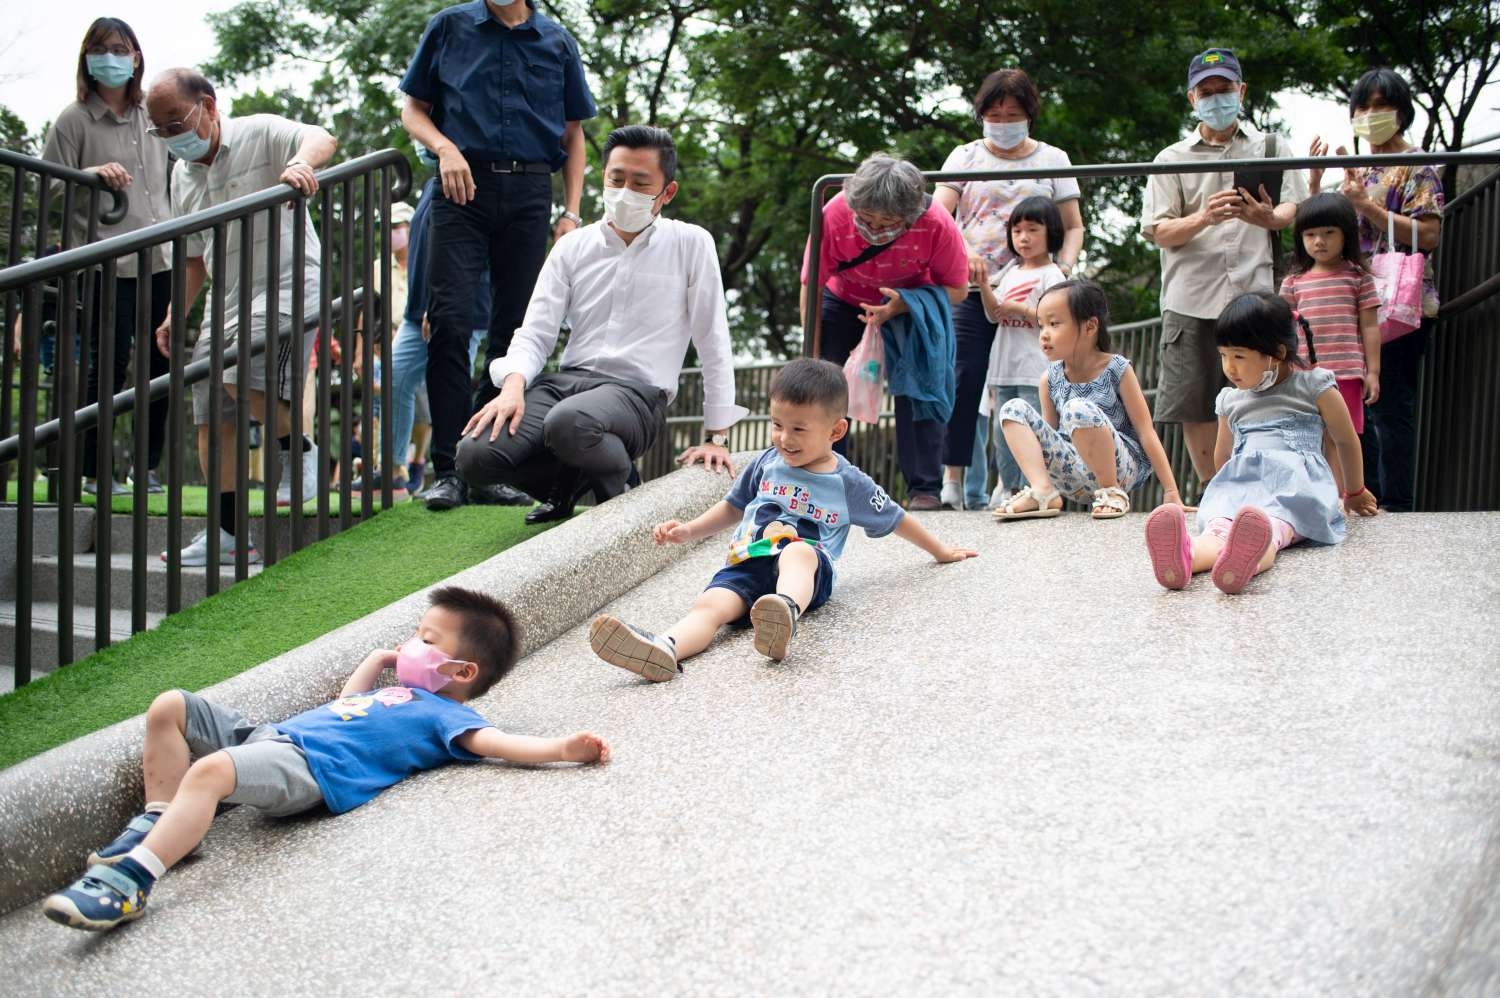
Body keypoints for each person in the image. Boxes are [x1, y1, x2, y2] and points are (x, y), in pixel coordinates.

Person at [40, 586, 610, 932]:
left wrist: (562, 749)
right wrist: (376, 658)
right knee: (171, 706)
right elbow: (345, 706)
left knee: (209, 771)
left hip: (310, 769)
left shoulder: (446, 716)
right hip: (277, 736)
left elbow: (497, 744)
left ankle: (133, 881)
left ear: (463, 673)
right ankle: (159, 817)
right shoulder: (397, 693)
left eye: (426, 641)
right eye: (416, 633)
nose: (412, 645)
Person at [586, 358, 976, 681]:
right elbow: (733, 507)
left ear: (836, 430)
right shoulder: (766, 463)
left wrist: (940, 551)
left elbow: (895, 517)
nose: (784, 438)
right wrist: (688, 530)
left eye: (799, 429)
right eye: (777, 425)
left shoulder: (847, 482)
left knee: (798, 553)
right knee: (709, 607)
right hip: (747, 562)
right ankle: (665, 648)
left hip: (807, 573)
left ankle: (784, 609)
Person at [459, 125, 747, 524]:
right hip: (568, 383)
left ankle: (621, 482)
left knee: (570, 422)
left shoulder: (690, 243)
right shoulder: (573, 246)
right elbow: (536, 332)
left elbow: (712, 338)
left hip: (637, 395)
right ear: (603, 177)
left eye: (641, 182)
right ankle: (566, 487)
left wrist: (717, 436)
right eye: (617, 178)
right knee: (475, 453)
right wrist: (512, 387)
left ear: (668, 192)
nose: (625, 190)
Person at [399, 0, 595, 511]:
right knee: (450, 322)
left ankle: (484, 463)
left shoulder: (556, 41)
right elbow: (412, 109)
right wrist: (445, 148)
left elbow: (573, 133)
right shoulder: (448, 26)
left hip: (530, 191)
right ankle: (448, 470)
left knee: (514, 330)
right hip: (460, 186)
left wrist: (571, 211)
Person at [146, 68, 336, 565]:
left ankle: (302, 452)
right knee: (210, 409)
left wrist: (299, 162)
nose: (170, 137)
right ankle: (229, 535)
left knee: (236, 373)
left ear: (208, 105)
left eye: (174, 122)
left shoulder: (258, 131)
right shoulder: (180, 174)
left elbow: (321, 137)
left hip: (289, 282)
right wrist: (174, 314)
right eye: (159, 130)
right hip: (225, 296)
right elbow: (191, 258)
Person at [1141, 47, 1308, 489]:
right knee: (1193, 401)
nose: (1216, 99)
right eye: (1206, 91)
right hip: (1190, 297)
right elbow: (1157, 229)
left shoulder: (1272, 146)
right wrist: (1204, 217)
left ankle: (1261, 484)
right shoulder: (1169, 159)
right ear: (1192, 99)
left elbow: (1293, 206)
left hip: (1254, 294)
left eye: (1224, 89)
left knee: (1265, 393)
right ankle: (1214, 487)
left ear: (1242, 91)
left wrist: (1268, 218)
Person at [1144, 292, 1377, 595]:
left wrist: (1353, 491)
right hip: (1242, 485)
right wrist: (1226, 490)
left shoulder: (1314, 386)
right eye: (1224, 355)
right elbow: (1224, 456)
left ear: (1276, 353)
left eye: (1239, 356)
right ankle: (1184, 558)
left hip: (1294, 485)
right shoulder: (1231, 399)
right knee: (1221, 527)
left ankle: (1242, 562)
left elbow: (1345, 439)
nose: (1229, 367)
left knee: (1269, 527)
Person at [934, 68, 1086, 510]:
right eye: (994, 114)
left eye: (1012, 113)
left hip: (1036, 291)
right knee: (965, 379)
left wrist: (1062, 269)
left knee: (1037, 385)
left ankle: (1032, 482)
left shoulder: (1053, 159)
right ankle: (953, 479)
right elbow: (939, 219)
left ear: (1030, 115)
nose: (1002, 121)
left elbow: (1073, 225)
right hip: (976, 288)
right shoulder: (963, 156)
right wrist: (964, 255)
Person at [34, 18, 173, 497]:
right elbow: (48, 190)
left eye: (120, 48)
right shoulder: (73, 119)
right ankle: (95, 471)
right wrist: (87, 174)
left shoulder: (151, 113)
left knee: (162, 366)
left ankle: (146, 469)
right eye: (101, 49)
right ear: (87, 58)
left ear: (136, 57)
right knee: (107, 368)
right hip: (104, 262)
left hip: (161, 258)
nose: (111, 57)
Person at [1309, 68, 1443, 512]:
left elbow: (1429, 235)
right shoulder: (1355, 167)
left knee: (1392, 405)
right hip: (1352, 306)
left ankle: (1397, 502)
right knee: (1352, 406)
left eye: (1381, 106)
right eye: (1363, 107)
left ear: (1401, 112)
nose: (1371, 115)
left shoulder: (1417, 164)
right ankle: (1360, 496)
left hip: (1400, 308)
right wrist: (1317, 187)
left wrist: (1365, 204)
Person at [802, 153, 969, 509]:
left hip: (907, 302)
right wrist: (813, 355)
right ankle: (829, 481)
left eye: (888, 222)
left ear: (910, 215)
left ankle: (924, 489)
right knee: (828, 385)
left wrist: (905, 304)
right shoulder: (834, 213)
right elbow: (811, 284)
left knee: (919, 388)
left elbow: (956, 289)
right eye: (867, 220)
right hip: (843, 297)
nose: (876, 229)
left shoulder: (937, 222)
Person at [357, 169, 497, 499]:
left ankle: (464, 472)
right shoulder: (431, 184)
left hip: (456, 309)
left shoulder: (472, 178)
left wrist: (439, 305)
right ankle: (391, 472)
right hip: (418, 309)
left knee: (451, 386)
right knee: (396, 379)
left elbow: (464, 253)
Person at [992, 280, 1181, 521]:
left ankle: (1112, 492)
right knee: (1012, 409)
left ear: (1090, 326)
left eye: (1054, 323)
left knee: (1076, 408)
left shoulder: (1117, 369)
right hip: (1074, 473)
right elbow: (1051, 437)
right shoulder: (1049, 378)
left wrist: (1171, 491)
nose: (1044, 334)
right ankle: (1043, 492)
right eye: (1041, 326)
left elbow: (1146, 433)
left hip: (1121, 468)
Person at [975, 196, 1068, 508]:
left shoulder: (1052, 274)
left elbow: (1056, 320)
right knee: (1005, 433)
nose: (1023, 238)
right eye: (1017, 231)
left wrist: (1025, 311)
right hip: (1003, 365)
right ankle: (1009, 489)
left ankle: (1037, 488)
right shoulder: (1011, 272)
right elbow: (993, 314)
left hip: (1034, 367)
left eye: (1032, 230)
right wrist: (985, 286)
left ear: (1051, 232)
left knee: (1032, 430)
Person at [1278, 193, 1381, 452]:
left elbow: (1370, 327)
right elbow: (1282, 330)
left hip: (1346, 373)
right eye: (1310, 234)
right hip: (1302, 376)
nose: (1319, 241)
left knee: (1342, 440)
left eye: (1329, 232)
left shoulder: (1359, 278)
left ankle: (1342, 493)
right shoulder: (1293, 282)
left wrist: (1373, 373)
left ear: (1346, 233)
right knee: (1303, 439)